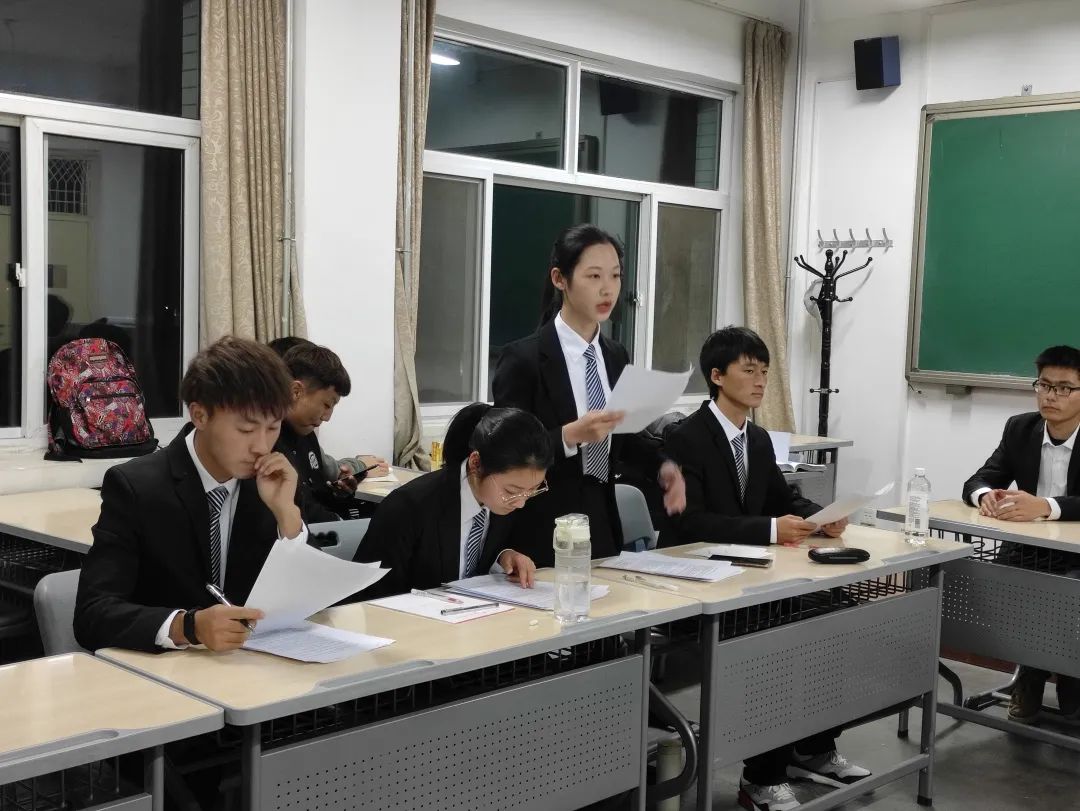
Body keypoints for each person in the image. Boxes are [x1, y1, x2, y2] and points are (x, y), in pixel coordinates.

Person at [663, 326, 863, 811]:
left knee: (836, 611)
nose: (760, 382)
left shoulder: (756, 438)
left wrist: (820, 517)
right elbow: (690, 523)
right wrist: (772, 529)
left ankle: (813, 747)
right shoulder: (684, 437)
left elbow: (782, 496)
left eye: (765, 373)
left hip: (752, 575)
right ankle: (762, 777)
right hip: (698, 583)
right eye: (749, 371)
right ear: (717, 376)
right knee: (778, 631)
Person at [74, 336, 307, 653]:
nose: (262, 446)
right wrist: (187, 626)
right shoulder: (137, 487)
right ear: (200, 416)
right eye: (246, 430)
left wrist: (287, 515)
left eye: (273, 427)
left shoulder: (274, 481)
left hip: (252, 665)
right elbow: (92, 615)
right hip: (163, 671)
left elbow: (310, 596)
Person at [491, 224, 685, 564]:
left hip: (602, 522)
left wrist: (662, 467)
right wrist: (569, 435)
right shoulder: (523, 359)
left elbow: (622, 435)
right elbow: (505, 453)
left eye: (615, 276)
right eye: (594, 276)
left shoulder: (615, 355)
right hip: (541, 528)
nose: (607, 289)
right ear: (559, 279)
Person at [962, 344, 1080, 725]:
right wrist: (986, 496)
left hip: (1077, 555)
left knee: (1067, 594)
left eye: (1064, 388)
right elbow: (978, 479)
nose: (1051, 396)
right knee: (1003, 582)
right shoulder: (1020, 428)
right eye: (1044, 385)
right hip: (1029, 550)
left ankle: (1069, 677)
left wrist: (1046, 506)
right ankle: (1030, 673)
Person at [353, 403, 552, 598]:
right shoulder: (408, 507)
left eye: (532, 490)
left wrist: (504, 556)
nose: (520, 503)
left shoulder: (504, 501)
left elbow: (485, 554)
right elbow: (371, 595)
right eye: (512, 491)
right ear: (476, 463)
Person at [269, 337, 389, 504]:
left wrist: (337, 494)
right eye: (326, 405)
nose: (327, 417)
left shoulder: (306, 436)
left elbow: (316, 496)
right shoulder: (269, 443)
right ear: (296, 391)